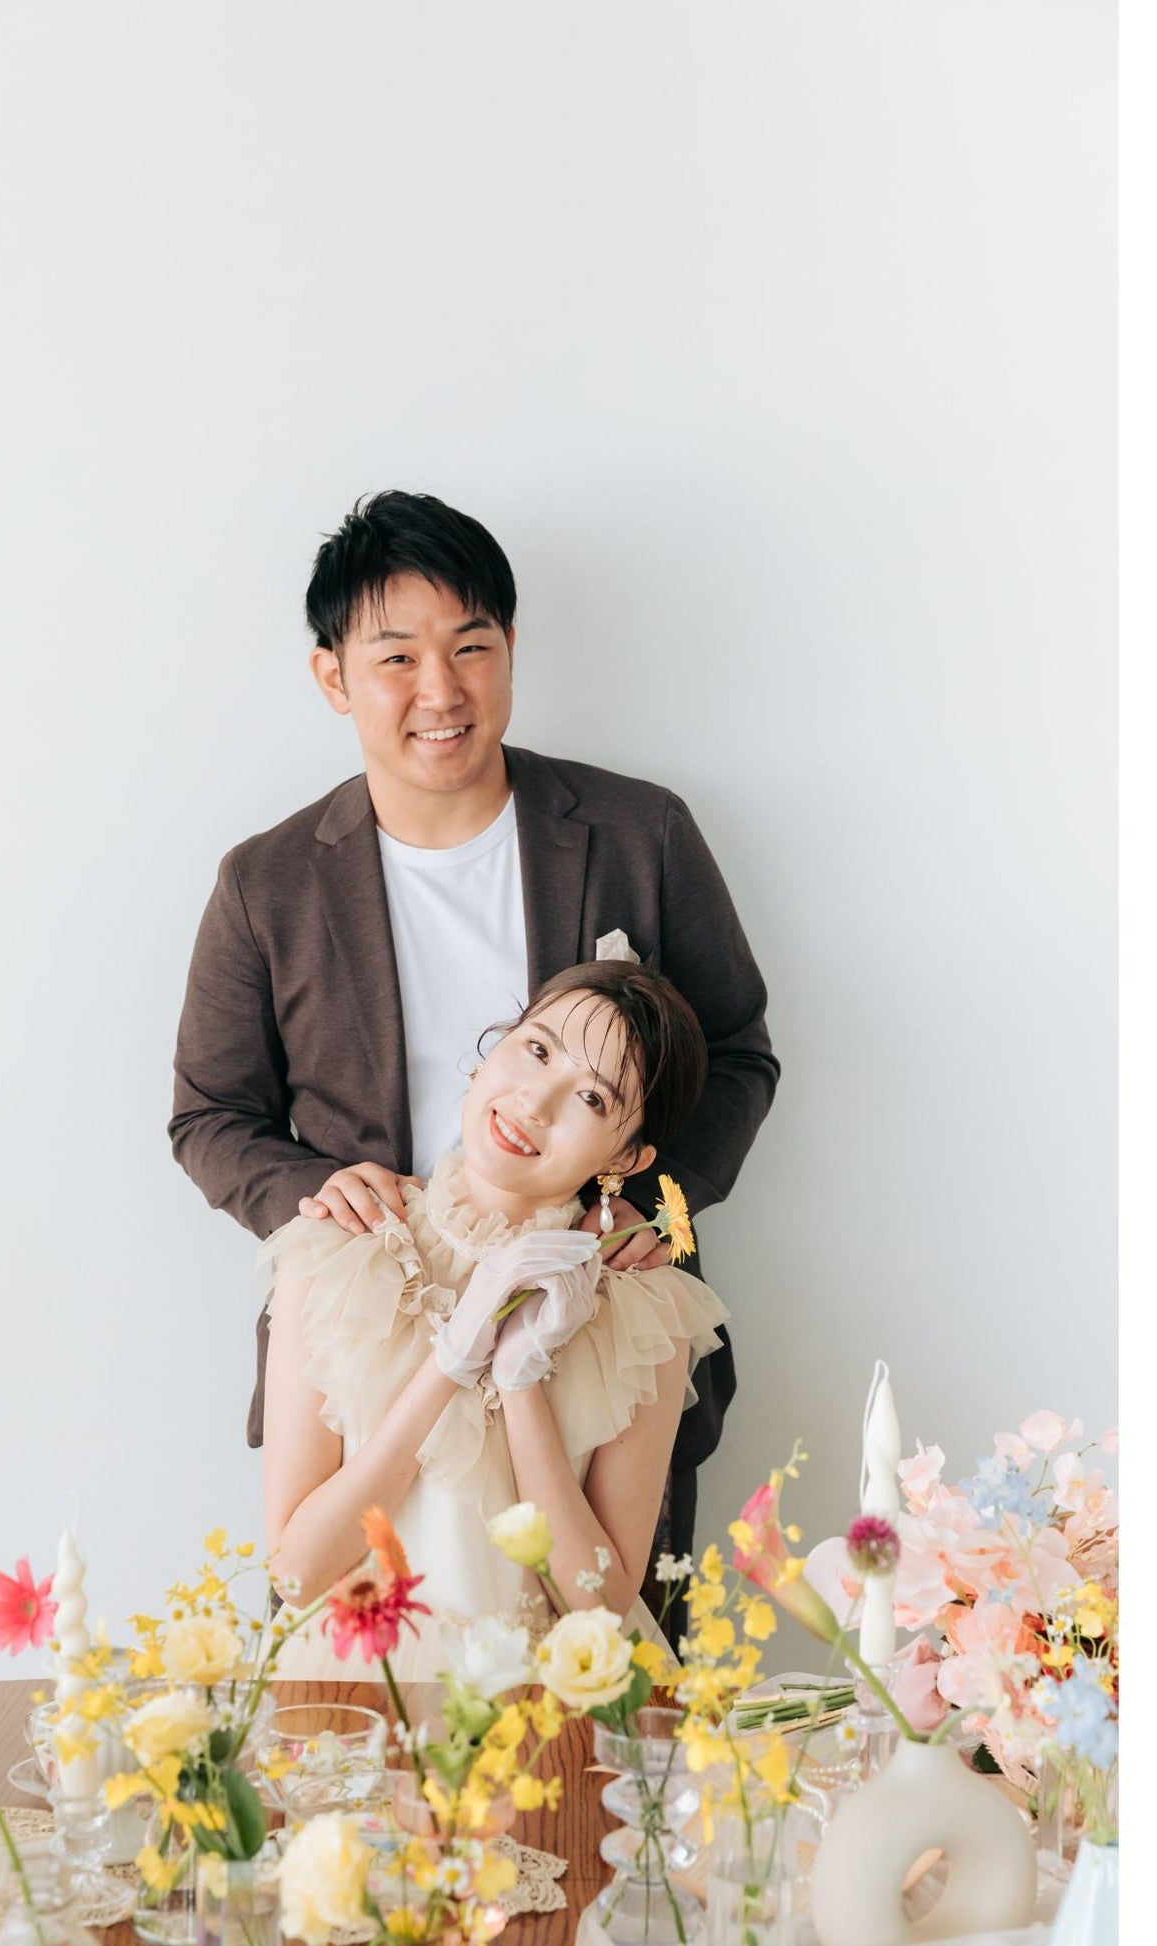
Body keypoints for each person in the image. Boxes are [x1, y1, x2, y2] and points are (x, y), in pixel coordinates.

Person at [169, 489, 778, 1581]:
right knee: (356, 1657)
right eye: (396, 658)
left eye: (470, 647)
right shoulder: (267, 884)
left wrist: (654, 1204)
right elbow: (209, 1114)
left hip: (591, 1340)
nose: (441, 691)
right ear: (332, 676)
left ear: (509, 650)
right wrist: (320, 1199)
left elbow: (734, 1054)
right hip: (366, 1360)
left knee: (604, 1651)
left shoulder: (639, 833)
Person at [261, 961, 728, 1676]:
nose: (536, 1102)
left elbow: (599, 1610)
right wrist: (450, 1359)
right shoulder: (335, 1247)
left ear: (627, 1156)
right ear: (494, 1045)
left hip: (549, 1708)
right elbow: (296, 1574)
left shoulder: (644, 1308)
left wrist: (519, 1381)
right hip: (357, 1699)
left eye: (592, 1097)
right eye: (537, 1049)